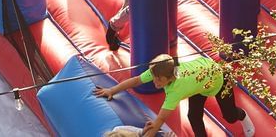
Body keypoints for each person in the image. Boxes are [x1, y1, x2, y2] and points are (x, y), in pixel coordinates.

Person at [94, 52, 255, 137]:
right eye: (154, 78)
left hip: (218, 79)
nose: (155, 82)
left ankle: (243, 116)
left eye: (159, 80)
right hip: (200, 80)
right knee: (194, 116)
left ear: (171, 78)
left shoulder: (175, 90)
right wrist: (111, 90)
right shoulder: (161, 69)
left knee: (229, 116)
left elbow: (159, 121)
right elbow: (136, 80)